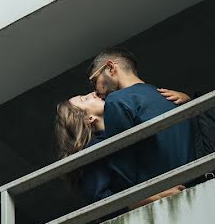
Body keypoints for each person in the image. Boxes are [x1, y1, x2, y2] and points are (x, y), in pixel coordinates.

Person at [55, 87, 190, 207]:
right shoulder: (93, 152)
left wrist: (186, 102)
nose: (92, 93)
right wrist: (155, 197)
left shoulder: (129, 123)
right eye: (84, 99)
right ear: (88, 118)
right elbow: (102, 202)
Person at [87, 47, 194, 198]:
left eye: (94, 80)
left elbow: (123, 168)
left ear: (110, 67)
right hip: (195, 185)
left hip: (162, 197)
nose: (96, 91)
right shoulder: (167, 96)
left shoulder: (117, 100)